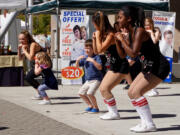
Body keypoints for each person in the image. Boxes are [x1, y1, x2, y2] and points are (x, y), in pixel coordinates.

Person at [115, 6, 170, 132]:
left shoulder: (139, 31)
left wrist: (122, 40)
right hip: (149, 66)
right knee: (131, 93)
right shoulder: (129, 33)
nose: (118, 20)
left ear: (129, 19)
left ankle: (150, 124)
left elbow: (133, 53)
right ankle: (144, 123)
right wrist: (118, 41)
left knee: (137, 92)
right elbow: (123, 55)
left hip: (159, 66)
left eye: (120, 17)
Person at [92, 11, 130, 120]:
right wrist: (95, 39)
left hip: (121, 65)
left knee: (105, 89)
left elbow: (100, 49)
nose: (94, 26)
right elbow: (96, 51)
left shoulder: (110, 34)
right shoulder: (104, 34)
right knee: (103, 89)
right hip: (114, 65)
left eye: (94, 23)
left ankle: (114, 113)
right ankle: (112, 112)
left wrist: (98, 35)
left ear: (97, 23)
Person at [76, 39, 103, 113]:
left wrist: (92, 61)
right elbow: (77, 67)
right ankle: (90, 105)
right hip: (88, 80)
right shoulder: (84, 58)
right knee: (81, 93)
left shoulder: (96, 57)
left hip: (96, 79)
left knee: (90, 93)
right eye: (85, 48)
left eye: (89, 48)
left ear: (93, 49)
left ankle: (96, 108)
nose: (86, 50)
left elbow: (100, 67)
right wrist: (77, 60)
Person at [18, 30, 44, 99]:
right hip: (37, 65)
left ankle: (42, 93)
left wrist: (24, 50)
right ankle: (41, 93)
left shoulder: (33, 44)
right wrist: (19, 49)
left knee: (29, 77)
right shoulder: (26, 46)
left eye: (23, 39)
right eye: (20, 39)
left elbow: (30, 58)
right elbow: (20, 59)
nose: (21, 41)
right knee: (28, 77)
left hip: (44, 64)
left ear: (28, 38)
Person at [144, 17, 162, 97]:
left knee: (151, 73)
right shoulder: (144, 32)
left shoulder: (156, 30)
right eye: (145, 25)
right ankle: (153, 90)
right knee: (147, 73)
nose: (147, 26)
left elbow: (155, 41)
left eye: (148, 24)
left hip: (155, 55)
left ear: (151, 24)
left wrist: (151, 32)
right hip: (147, 55)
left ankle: (154, 90)